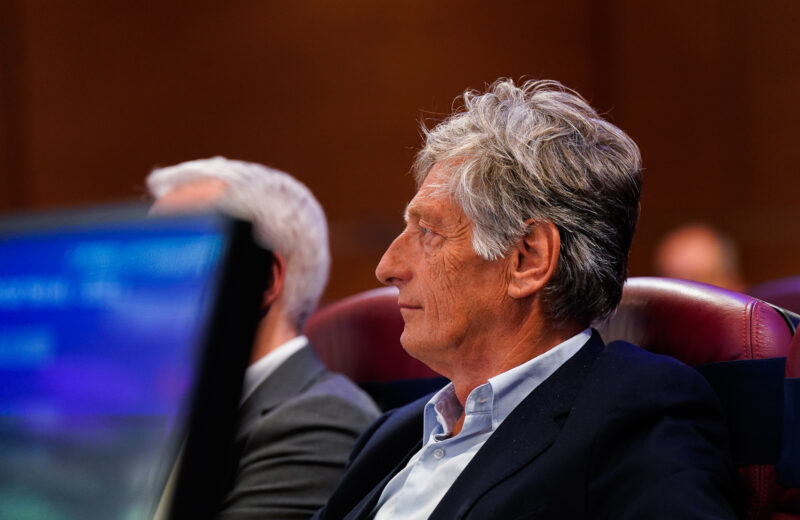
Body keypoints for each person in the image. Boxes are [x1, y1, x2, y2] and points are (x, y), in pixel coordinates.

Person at [313, 80, 737, 519]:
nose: (387, 267)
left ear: (528, 259)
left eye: (429, 232)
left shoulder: (635, 410)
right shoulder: (391, 436)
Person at [147, 157, 380, 520]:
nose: (139, 285)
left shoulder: (318, 422)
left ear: (262, 280)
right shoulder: (153, 407)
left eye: (174, 256)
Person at [654, 222, 745, 291]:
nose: (680, 294)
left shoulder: (749, 306)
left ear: (731, 283)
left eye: (696, 284)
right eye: (668, 284)